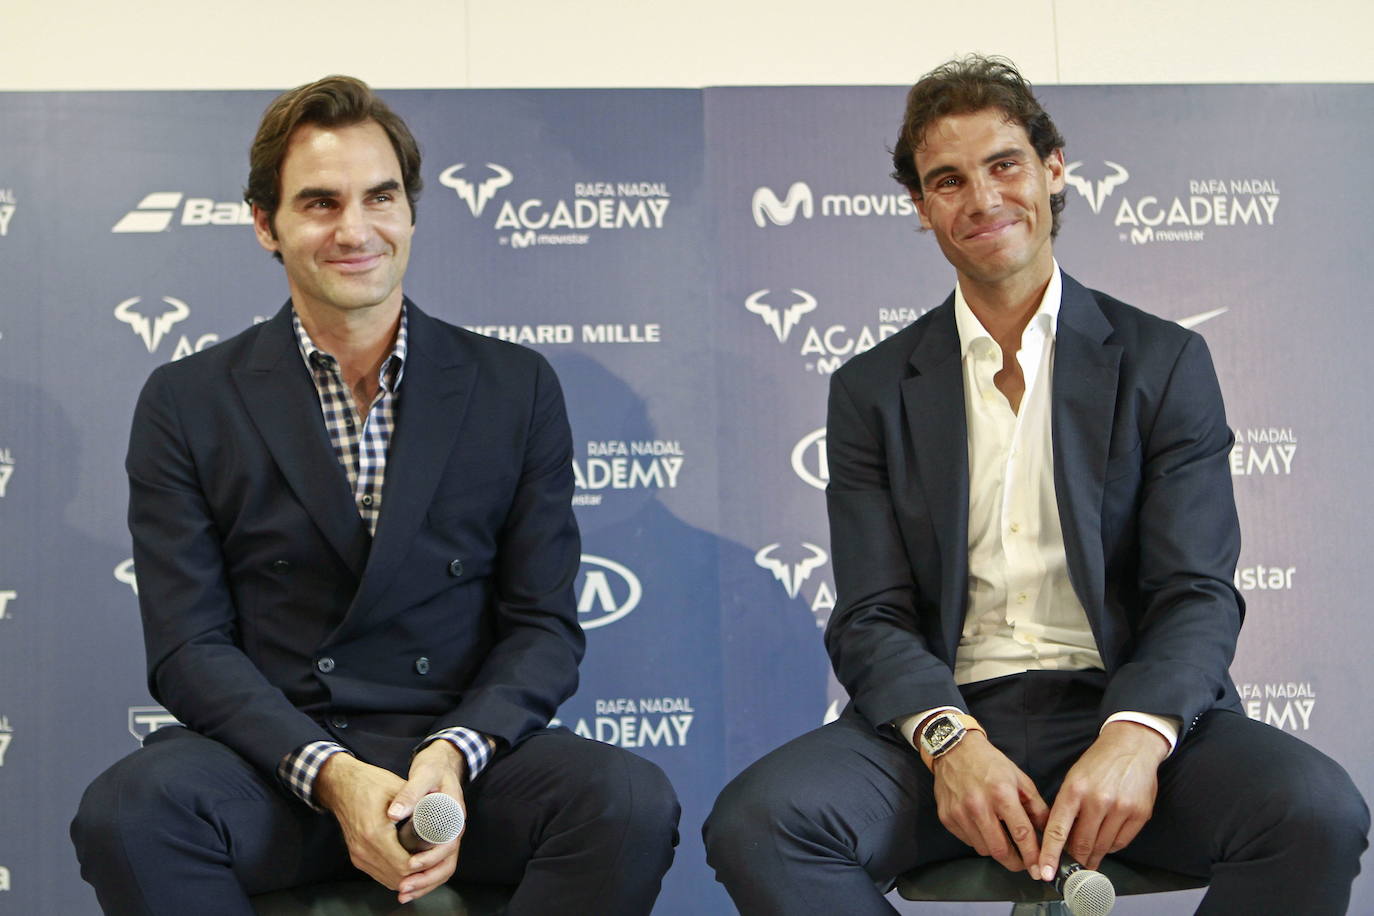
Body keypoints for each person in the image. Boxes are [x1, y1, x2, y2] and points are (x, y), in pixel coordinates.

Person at [704, 54, 1368, 914]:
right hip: (944, 725)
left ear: (1054, 172)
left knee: (1314, 812)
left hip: (1123, 709)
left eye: (1004, 165)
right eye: (948, 180)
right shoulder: (869, 389)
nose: (981, 199)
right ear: (920, 209)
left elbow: (1196, 593)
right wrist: (950, 742)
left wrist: (1135, 735)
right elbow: (872, 615)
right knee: (761, 822)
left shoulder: (1164, 362)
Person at [71, 75, 679, 916]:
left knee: (625, 801)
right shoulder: (187, 400)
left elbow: (542, 627)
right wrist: (333, 775)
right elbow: (188, 648)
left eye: (380, 197)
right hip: (275, 766)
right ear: (264, 225)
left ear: (411, 212)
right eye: (319, 203)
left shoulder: (514, 387)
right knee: (129, 812)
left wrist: (453, 754)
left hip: (456, 760)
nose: (355, 229)